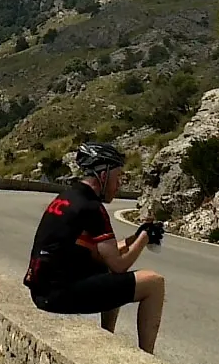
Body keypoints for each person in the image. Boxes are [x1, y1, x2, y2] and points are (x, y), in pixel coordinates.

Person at [23, 141, 167, 353]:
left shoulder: (69, 197)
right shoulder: (92, 208)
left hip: (43, 290)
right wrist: (145, 237)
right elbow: (119, 265)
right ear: (103, 174)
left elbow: (104, 253)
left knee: (105, 268)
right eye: (118, 178)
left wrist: (134, 238)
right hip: (58, 296)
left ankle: (107, 338)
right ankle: (147, 357)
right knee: (154, 283)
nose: (119, 185)